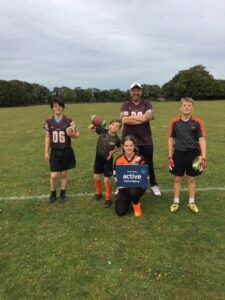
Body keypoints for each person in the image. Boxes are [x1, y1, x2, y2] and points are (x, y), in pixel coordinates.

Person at [120, 82, 161, 196]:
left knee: (148, 163)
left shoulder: (147, 103)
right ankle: (123, 185)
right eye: (134, 90)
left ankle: (153, 184)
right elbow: (125, 120)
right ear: (130, 92)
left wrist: (132, 118)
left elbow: (149, 116)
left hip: (145, 140)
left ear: (141, 92)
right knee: (127, 163)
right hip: (129, 140)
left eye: (138, 90)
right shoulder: (125, 105)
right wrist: (142, 118)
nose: (136, 92)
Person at [168, 97, 207, 213]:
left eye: (189, 105)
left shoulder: (197, 122)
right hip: (178, 153)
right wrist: (170, 156)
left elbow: (202, 140)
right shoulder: (174, 122)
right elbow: (170, 139)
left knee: (191, 178)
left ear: (192, 108)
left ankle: (191, 202)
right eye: (185, 105)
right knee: (177, 178)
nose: (187, 107)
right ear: (180, 107)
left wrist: (203, 157)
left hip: (193, 153)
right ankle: (175, 202)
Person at [43, 97, 79, 204]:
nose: (57, 108)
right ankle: (53, 193)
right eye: (55, 106)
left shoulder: (69, 121)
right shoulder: (48, 121)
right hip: (55, 151)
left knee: (63, 174)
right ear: (52, 108)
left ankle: (63, 193)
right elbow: (47, 137)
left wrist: (74, 135)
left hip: (66, 150)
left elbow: (77, 134)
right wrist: (46, 151)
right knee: (54, 175)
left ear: (63, 108)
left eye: (59, 106)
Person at [88, 119, 122, 208]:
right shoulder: (103, 131)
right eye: (113, 125)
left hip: (108, 160)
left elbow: (120, 147)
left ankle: (108, 198)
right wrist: (94, 123)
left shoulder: (117, 139)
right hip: (98, 158)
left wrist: (112, 152)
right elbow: (91, 128)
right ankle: (98, 193)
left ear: (119, 129)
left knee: (107, 180)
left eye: (117, 126)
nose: (114, 127)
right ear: (109, 125)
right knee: (96, 177)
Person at [114, 135, 147, 217]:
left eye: (131, 145)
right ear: (123, 146)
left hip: (137, 187)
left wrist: (146, 178)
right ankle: (128, 199)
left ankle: (136, 204)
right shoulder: (118, 160)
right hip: (124, 188)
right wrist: (117, 180)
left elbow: (146, 176)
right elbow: (116, 177)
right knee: (120, 212)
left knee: (133, 191)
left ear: (134, 146)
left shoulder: (140, 159)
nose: (129, 148)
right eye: (126, 146)